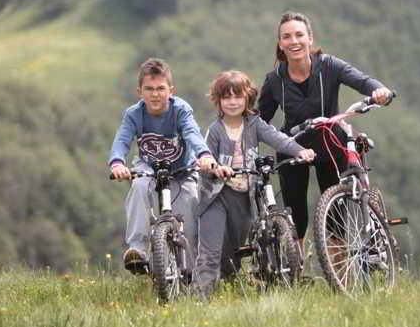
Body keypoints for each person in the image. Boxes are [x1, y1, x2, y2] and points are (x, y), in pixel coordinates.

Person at [258, 11, 394, 245]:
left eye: (299, 35)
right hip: (293, 145)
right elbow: (259, 120)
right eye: (287, 37)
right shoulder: (274, 80)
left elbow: (363, 81)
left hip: (331, 143)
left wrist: (379, 91)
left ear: (310, 38)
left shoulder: (330, 66)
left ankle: (338, 273)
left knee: (336, 216)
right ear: (280, 44)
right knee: (295, 216)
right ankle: (295, 271)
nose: (294, 42)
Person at [191, 70, 315, 299]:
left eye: (237, 96)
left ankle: (232, 285)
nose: (232, 102)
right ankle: (200, 299)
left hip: (246, 196)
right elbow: (205, 156)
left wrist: (300, 150)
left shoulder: (254, 124)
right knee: (211, 251)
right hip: (216, 197)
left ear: (248, 98)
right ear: (218, 101)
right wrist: (214, 166)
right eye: (226, 97)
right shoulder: (215, 130)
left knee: (234, 250)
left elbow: (278, 138)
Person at [108, 57, 218, 275]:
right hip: (149, 167)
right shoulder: (133, 114)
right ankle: (138, 249)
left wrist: (204, 155)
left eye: (160, 88)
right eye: (149, 89)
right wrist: (117, 163)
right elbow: (121, 140)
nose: (155, 94)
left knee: (190, 215)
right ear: (140, 91)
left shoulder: (181, 110)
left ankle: (193, 272)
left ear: (171, 91)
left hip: (181, 170)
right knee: (139, 186)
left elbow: (192, 134)